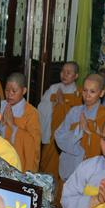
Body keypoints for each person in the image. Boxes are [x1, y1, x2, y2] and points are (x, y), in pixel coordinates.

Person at [54, 74, 105, 182]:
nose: (87, 95)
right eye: (85, 90)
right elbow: (59, 136)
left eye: (92, 91)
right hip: (70, 165)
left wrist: (88, 131)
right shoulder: (74, 111)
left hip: (92, 170)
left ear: (101, 93)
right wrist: (78, 130)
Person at [37, 62, 82, 196]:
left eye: (69, 72)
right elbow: (41, 108)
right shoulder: (53, 88)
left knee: (64, 168)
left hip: (68, 138)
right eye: (63, 71)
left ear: (76, 76)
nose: (64, 75)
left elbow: (78, 116)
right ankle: (45, 194)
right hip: (52, 135)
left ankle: (60, 197)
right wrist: (53, 104)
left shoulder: (79, 93)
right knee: (47, 164)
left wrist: (62, 104)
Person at [0, 72, 41, 172]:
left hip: (19, 163)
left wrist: (12, 126)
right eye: (7, 90)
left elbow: (34, 145)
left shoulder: (31, 113)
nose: (9, 94)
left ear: (24, 91)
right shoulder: (0, 105)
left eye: (14, 91)